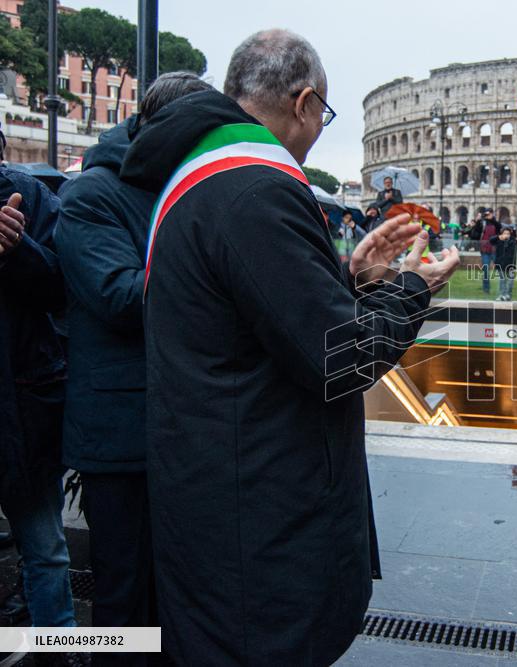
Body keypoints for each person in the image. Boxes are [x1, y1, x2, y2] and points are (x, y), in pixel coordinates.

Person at [119, 30, 459, 665]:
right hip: (260, 528)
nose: (319, 129)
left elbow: (256, 321)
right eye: (324, 115)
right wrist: (412, 287)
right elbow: (342, 360)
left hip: (220, 496)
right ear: (305, 104)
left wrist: (353, 279)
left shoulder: (204, 176)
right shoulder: (254, 189)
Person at [55, 72, 213, 664]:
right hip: (119, 438)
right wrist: (212, 270)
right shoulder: (92, 194)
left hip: (176, 426)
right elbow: (120, 296)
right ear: (164, 127)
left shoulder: (178, 183)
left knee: (177, 594)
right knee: (123, 601)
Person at [0, 148, 79, 659]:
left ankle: (60, 646)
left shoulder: (29, 196)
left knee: (44, 545)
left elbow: (64, 287)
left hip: (25, 406)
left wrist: (16, 249)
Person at [490, 225, 517, 301]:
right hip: (500, 263)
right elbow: (491, 240)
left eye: (508, 233)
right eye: (505, 233)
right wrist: (499, 237)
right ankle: (502, 295)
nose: (506, 235)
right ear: (502, 234)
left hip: (511, 264)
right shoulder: (499, 240)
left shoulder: (514, 241)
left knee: (510, 281)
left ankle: (508, 295)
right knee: (502, 280)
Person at [478, 208, 499, 294]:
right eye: (486, 214)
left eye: (489, 214)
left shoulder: (496, 223)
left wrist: (492, 219)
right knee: (485, 270)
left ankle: (503, 289)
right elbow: (476, 232)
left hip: (495, 250)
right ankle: (486, 289)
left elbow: (499, 228)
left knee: (501, 269)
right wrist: (478, 220)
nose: (488, 216)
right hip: (485, 250)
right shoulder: (483, 223)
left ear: (492, 214)